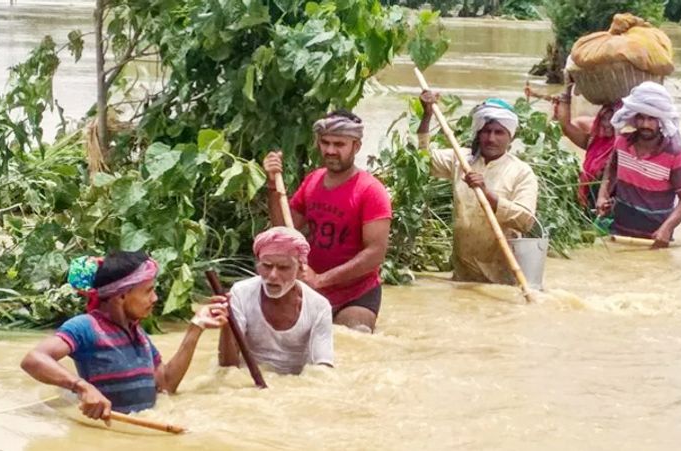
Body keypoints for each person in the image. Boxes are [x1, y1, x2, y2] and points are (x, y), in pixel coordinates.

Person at [20, 251, 228, 423]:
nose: (154, 298)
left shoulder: (138, 333)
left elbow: (166, 385)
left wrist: (196, 326)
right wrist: (81, 386)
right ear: (121, 296)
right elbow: (33, 359)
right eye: (148, 291)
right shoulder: (86, 326)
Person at [263, 110, 392, 333]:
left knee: (352, 337)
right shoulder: (313, 181)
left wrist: (322, 279)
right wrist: (273, 185)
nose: (330, 151)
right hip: (311, 290)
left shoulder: (371, 191)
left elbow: (375, 254)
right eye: (325, 143)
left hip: (356, 294)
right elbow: (284, 230)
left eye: (339, 144)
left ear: (356, 146)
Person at [417, 91, 539, 284]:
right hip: (462, 274)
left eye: (499, 133)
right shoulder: (462, 160)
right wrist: (427, 115)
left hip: (503, 276)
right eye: (486, 131)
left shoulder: (521, 172)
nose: (491, 139)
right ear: (478, 134)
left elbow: (526, 220)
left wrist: (487, 194)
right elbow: (422, 160)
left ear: (511, 138)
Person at [218, 227, 333, 374]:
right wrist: (227, 325)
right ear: (257, 265)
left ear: (300, 270)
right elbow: (227, 368)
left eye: (283, 268)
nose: (272, 275)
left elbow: (323, 368)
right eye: (266, 266)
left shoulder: (319, 307)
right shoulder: (240, 293)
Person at [596, 81, 681, 248]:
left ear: (661, 121)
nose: (645, 125)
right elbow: (610, 172)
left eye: (651, 119)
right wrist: (602, 196)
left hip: (654, 240)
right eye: (641, 118)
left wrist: (667, 228)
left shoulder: (675, 154)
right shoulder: (622, 143)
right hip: (618, 233)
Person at [550, 83, 623, 207]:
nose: (606, 124)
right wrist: (567, 90)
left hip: (610, 207)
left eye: (612, 120)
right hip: (587, 203)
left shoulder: (626, 148)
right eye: (603, 118)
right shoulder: (593, 142)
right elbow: (565, 126)